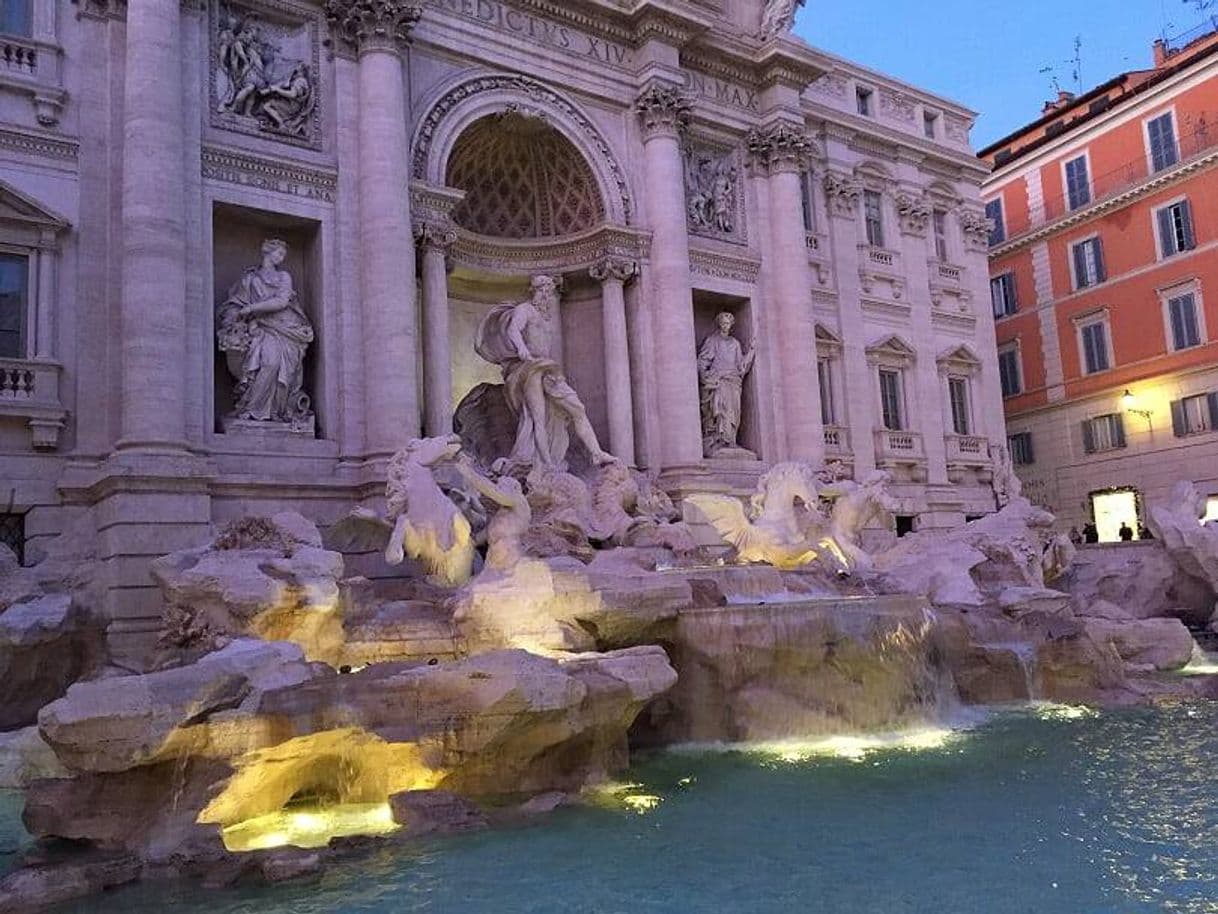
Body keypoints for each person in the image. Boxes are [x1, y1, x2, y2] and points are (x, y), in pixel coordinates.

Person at [475, 275, 615, 473]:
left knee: (578, 409)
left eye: (549, 293)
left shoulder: (546, 317)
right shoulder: (525, 310)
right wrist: (521, 348)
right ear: (535, 291)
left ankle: (596, 453)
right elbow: (513, 329)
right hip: (529, 367)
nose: (546, 296)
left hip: (548, 369)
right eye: (543, 292)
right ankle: (547, 464)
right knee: (537, 418)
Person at [217, 239, 314, 424]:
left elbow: (282, 301)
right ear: (267, 253)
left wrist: (252, 309)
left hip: (285, 328)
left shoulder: (284, 277)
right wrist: (233, 319)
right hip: (260, 329)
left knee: (275, 364)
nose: (281, 258)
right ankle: (252, 409)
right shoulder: (250, 278)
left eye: (283, 255)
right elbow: (236, 304)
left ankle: (276, 410)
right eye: (279, 254)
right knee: (269, 363)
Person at [697, 311, 755, 455]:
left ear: (731, 325)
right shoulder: (712, 340)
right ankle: (719, 439)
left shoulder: (735, 343)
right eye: (723, 322)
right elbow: (703, 360)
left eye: (728, 323)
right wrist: (705, 377)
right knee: (720, 410)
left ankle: (731, 440)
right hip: (719, 380)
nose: (725, 325)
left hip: (733, 381)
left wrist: (752, 350)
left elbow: (741, 365)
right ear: (719, 324)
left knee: (733, 412)